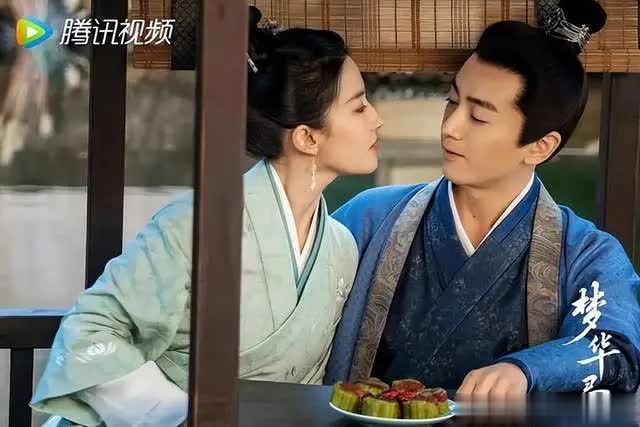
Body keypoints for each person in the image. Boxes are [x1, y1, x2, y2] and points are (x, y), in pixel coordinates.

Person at [31, 6, 383, 426]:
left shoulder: (340, 248)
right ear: (307, 138)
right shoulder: (193, 227)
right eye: (359, 107)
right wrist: (180, 416)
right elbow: (88, 333)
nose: (377, 119)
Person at [324, 0, 640, 399]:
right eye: (452, 102)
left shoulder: (586, 253)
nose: (450, 128)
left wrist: (525, 370)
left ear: (540, 146)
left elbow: (612, 348)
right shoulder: (370, 217)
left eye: (478, 117)